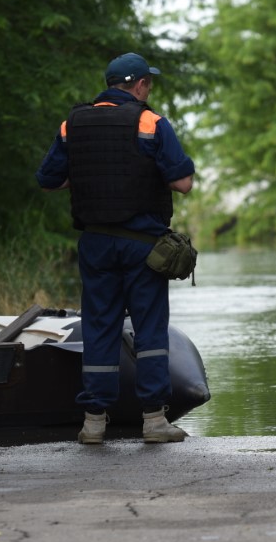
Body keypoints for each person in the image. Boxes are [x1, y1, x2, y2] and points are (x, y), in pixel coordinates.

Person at [35, 52, 195, 445]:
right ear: (139, 85)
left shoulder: (72, 124)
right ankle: (155, 422)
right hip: (143, 247)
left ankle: (93, 422)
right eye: (148, 84)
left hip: (96, 245)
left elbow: (49, 181)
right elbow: (183, 182)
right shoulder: (150, 121)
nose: (149, 90)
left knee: (100, 328)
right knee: (149, 331)